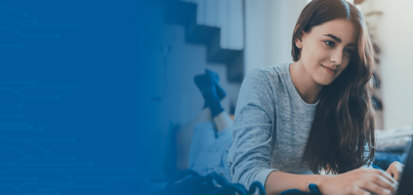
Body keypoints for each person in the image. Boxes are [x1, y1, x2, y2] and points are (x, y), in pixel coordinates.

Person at [188, 0, 404, 194]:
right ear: (300, 37)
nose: (338, 59)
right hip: (218, 161)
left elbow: (354, 172)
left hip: (238, 142)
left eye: (348, 50)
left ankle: (214, 102)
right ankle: (210, 105)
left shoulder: (345, 98)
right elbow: (246, 176)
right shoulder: (264, 82)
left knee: (229, 131)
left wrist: (385, 176)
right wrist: (322, 183)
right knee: (200, 153)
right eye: (329, 42)